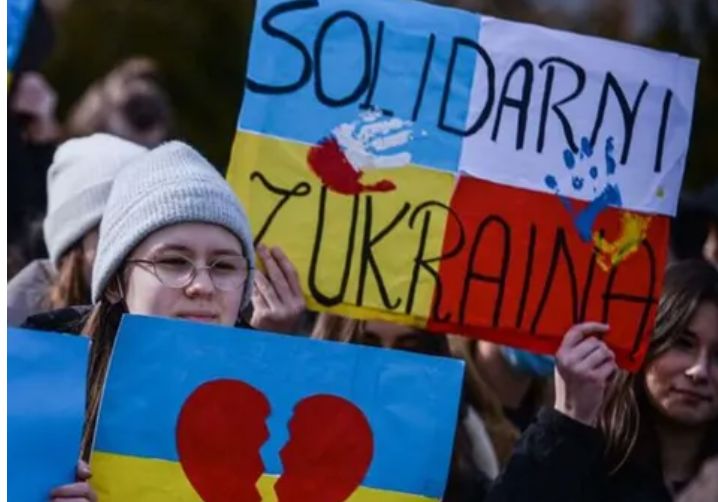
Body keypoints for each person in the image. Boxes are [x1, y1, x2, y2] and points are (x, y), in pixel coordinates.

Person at [24, 140, 255, 500]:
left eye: (224, 266)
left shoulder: (284, 402)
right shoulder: (32, 390)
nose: (203, 285)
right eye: (174, 262)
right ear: (115, 282)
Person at [485, 259, 718, 502]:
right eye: (683, 344)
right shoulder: (583, 459)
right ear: (646, 344)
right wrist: (567, 421)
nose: (699, 371)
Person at [312, 314, 494, 501]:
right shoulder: (299, 473)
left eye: (408, 349)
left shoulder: (467, 490)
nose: (388, 367)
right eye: (368, 347)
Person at [8, 134, 148, 326]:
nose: (128, 247)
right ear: (73, 244)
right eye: (112, 231)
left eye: (145, 233)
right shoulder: (14, 332)